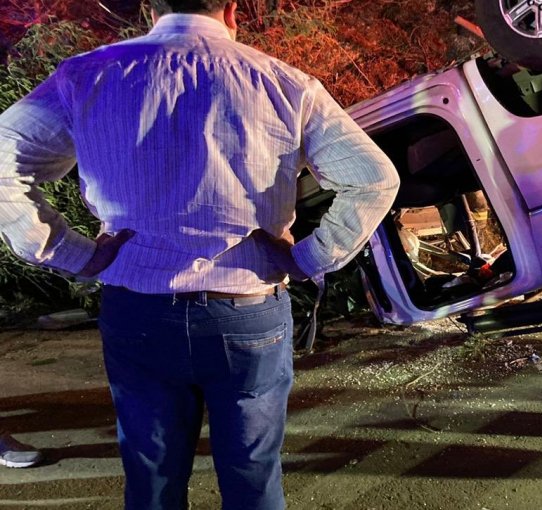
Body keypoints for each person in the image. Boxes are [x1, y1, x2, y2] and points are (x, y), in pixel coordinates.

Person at [0, 0, 399, 508]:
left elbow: (4, 160)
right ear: (231, 7)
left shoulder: (87, 73)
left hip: (139, 309)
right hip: (248, 313)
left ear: (152, 6)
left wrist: (72, 253)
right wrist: (307, 259)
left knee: (152, 478)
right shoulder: (285, 83)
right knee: (253, 475)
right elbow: (373, 178)